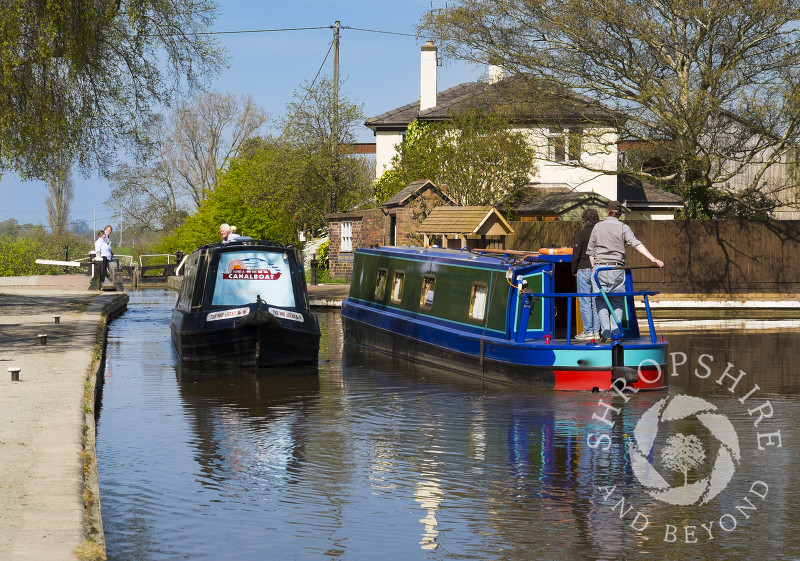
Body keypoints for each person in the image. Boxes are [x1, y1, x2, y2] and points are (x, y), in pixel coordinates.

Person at [588, 200, 664, 340]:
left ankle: (605, 333)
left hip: (599, 269)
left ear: (607, 212)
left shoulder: (597, 227)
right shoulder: (623, 227)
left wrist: (595, 268)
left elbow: (591, 253)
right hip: (617, 268)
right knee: (617, 301)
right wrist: (653, 258)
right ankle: (616, 332)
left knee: (601, 300)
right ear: (620, 214)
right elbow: (636, 244)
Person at [572, 208, 600, 340]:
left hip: (583, 270)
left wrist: (573, 270)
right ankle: (596, 331)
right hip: (598, 270)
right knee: (596, 301)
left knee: (585, 302)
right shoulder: (600, 233)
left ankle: (588, 331)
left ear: (584, 219)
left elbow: (576, 254)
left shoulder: (582, 234)